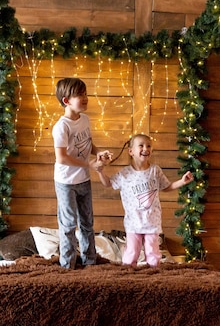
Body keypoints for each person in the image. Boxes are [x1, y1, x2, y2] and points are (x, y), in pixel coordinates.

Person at [96, 134, 193, 267]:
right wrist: (100, 171)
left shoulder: (155, 170)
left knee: (153, 253)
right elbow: (108, 183)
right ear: (131, 151)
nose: (145, 148)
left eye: (148, 146)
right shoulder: (125, 174)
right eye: (141, 145)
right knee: (132, 252)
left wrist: (182, 182)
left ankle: (153, 275)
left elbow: (167, 187)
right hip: (133, 222)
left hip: (152, 222)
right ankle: (127, 274)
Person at [52, 77, 110, 269]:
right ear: (66, 100)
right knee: (69, 224)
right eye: (79, 95)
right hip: (66, 183)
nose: (85, 98)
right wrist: (89, 165)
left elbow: (87, 143)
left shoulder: (85, 119)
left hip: (83, 180)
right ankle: (67, 265)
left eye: (85, 93)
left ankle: (90, 262)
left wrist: (98, 152)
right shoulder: (61, 126)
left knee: (87, 222)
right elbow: (61, 158)